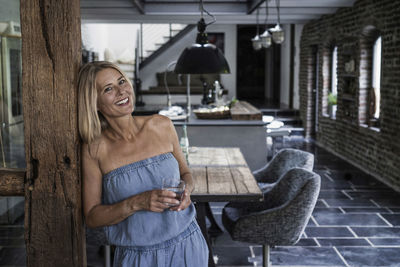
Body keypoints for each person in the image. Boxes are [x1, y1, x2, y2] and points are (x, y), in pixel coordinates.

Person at [77, 61, 209, 267]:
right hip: (137, 258)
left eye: (122, 82)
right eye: (109, 89)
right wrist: (137, 202)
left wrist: (187, 192)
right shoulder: (94, 149)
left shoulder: (162, 125)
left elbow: (186, 173)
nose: (122, 91)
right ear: (94, 103)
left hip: (188, 244)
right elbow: (92, 217)